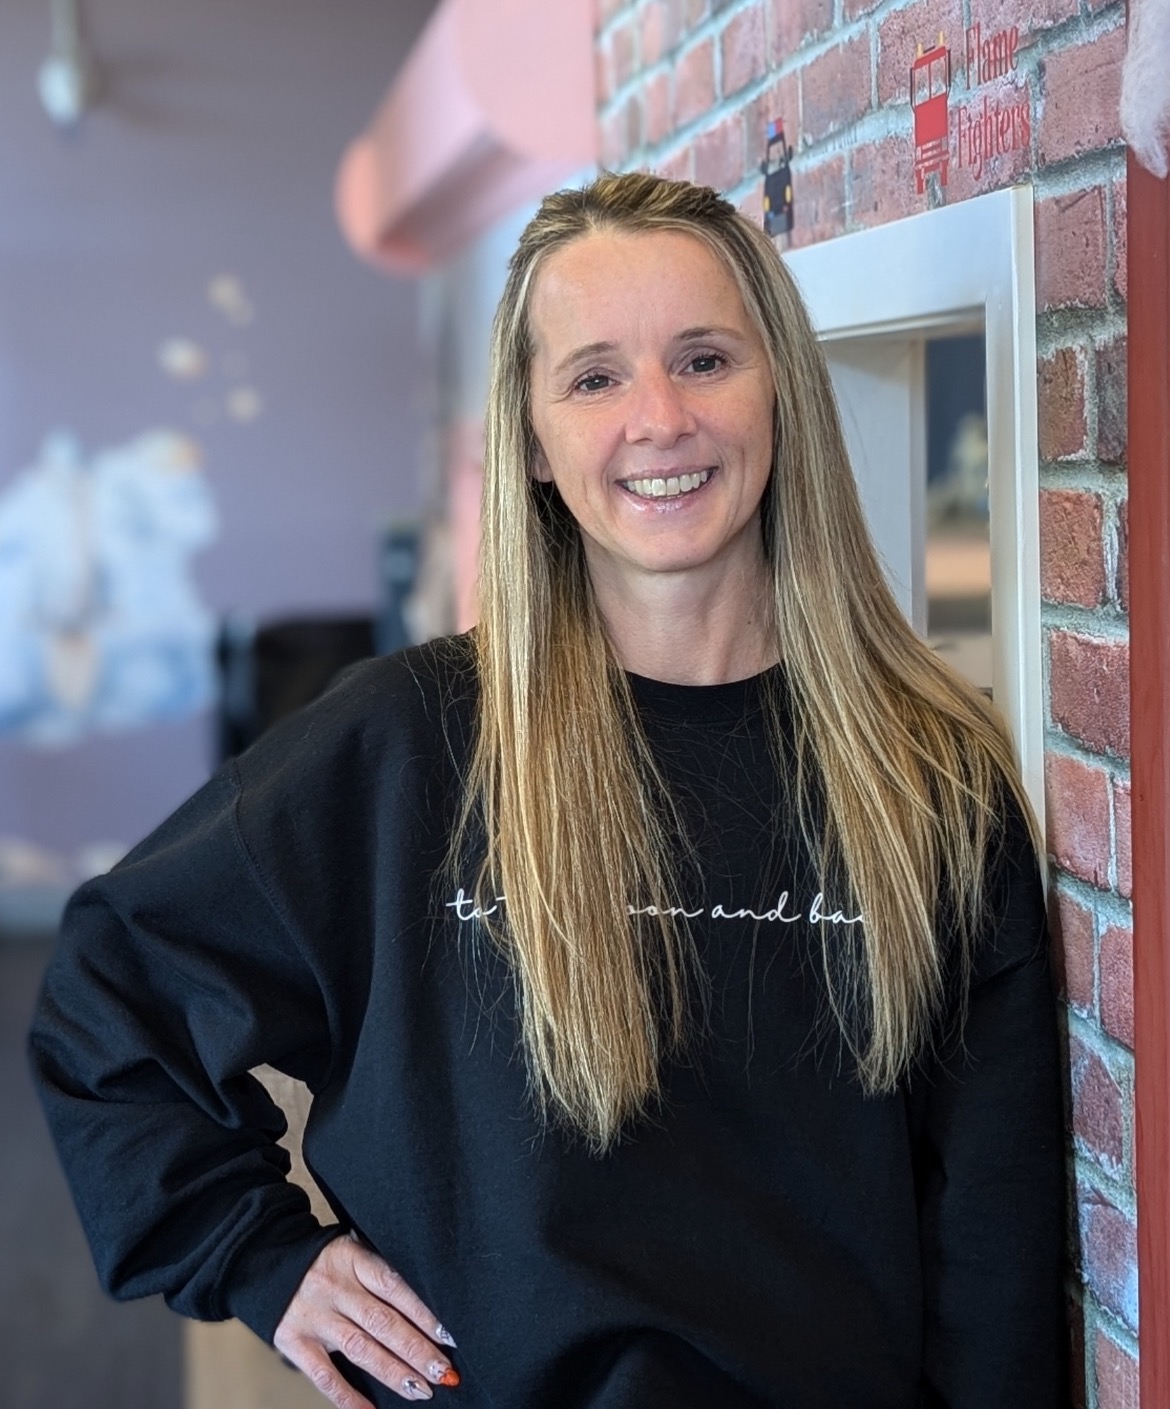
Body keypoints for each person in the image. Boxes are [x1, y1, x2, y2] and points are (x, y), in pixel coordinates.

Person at [29, 172, 1067, 1408]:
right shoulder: (411, 744)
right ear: (529, 439)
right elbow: (112, 994)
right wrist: (261, 1254)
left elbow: (993, 1256)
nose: (660, 418)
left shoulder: (929, 779)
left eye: (704, 359)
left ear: (782, 387)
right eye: (594, 378)